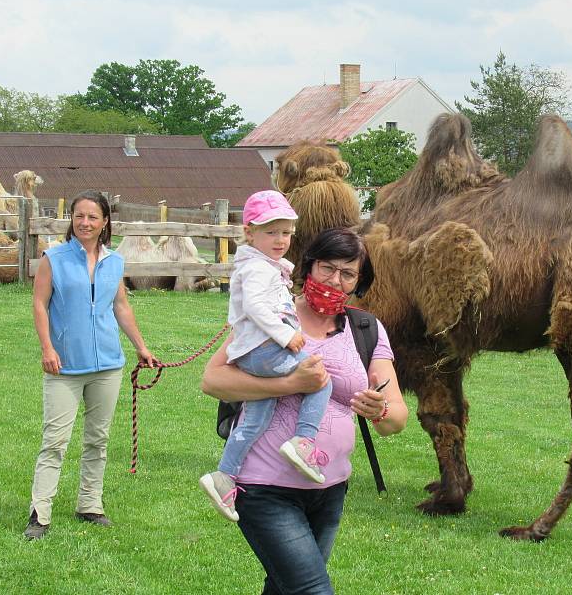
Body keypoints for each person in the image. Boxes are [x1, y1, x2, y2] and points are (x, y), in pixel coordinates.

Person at [201, 227, 408, 595]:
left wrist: (379, 409)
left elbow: (396, 419)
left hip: (329, 489)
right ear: (309, 267)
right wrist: (290, 384)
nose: (335, 280)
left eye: (348, 274)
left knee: (283, 588)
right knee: (312, 589)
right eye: (327, 268)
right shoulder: (273, 313)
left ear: (359, 281)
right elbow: (214, 380)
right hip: (265, 486)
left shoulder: (366, 329)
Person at [23, 190, 156, 540]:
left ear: (105, 222)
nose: (85, 223)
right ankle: (40, 513)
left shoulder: (114, 261)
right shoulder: (54, 257)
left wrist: (140, 347)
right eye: (79, 216)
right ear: (71, 219)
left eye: (92, 217)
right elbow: (39, 304)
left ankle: (90, 504)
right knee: (55, 440)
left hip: (108, 365)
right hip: (63, 367)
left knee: (98, 439)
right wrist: (47, 348)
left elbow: (121, 306)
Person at [200, 190, 336, 524]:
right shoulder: (258, 269)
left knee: (255, 417)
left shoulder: (261, 265)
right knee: (320, 381)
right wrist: (287, 335)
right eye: (271, 232)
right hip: (266, 349)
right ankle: (303, 441)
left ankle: (224, 476)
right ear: (249, 232)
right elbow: (257, 307)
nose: (281, 240)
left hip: (251, 352)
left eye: (286, 233)